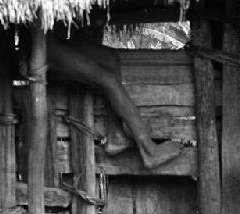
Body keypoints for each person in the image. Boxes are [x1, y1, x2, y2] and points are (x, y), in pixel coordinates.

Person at [19, 21, 183, 169]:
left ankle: (116, 135)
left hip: (56, 42)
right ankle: (149, 150)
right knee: (108, 81)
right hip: (44, 48)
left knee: (110, 58)